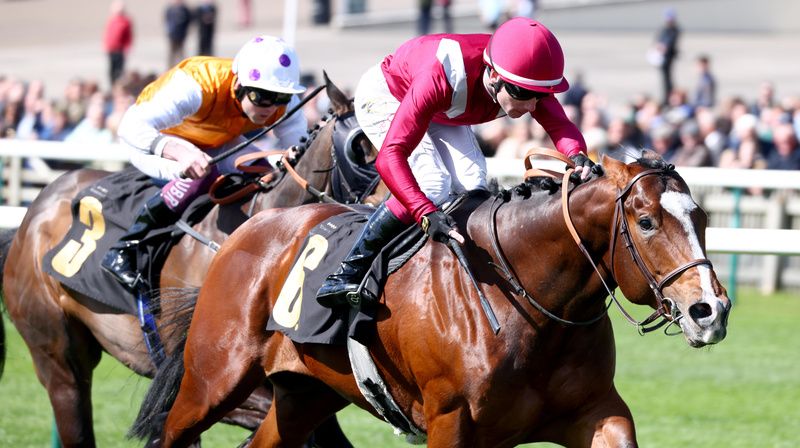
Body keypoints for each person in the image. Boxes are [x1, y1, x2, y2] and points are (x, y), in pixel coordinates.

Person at [316, 17, 594, 308]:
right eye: (524, 95)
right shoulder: (441, 76)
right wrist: (425, 212)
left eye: (541, 96)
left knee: (473, 184)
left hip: (444, 108)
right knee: (433, 184)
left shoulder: (522, 77)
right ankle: (349, 269)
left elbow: (562, 127)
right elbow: (390, 157)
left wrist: (577, 158)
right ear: (494, 76)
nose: (532, 107)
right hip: (390, 94)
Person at [101, 35, 308, 290]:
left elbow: (298, 151)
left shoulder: (281, 98)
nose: (272, 106)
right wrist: (177, 151)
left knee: (267, 174)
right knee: (200, 175)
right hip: (157, 139)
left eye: (281, 98)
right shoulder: (197, 85)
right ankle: (127, 248)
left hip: (215, 141)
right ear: (239, 83)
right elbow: (130, 126)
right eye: (262, 96)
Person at [652, 7, 680, 105]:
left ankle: (670, 97)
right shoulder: (664, 28)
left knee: (668, 79)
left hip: (669, 57)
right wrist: (658, 46)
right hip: (662, 57)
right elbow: (658, 39)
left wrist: (664, 46)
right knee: (664, 79)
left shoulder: (674, 29)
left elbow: (671, 41)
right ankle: (667, 97)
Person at [104, 0, 134, 87]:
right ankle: (112, 86)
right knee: (111, 70)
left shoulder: (126, 21)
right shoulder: (111, 20)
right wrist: (106, 45)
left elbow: (128, 36)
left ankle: (119, 86)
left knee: (119, 70)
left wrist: (127, 48)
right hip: (111, 49)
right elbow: (107, 33)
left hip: (120, 50)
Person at [165, 0, 192, 68]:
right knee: (172, 52)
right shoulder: (170, 9)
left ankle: (182, 66)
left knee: (181, 52)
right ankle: (170, 67)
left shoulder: (185, 10)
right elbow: (167, 20)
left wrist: (186, 30)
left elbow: (189, 21)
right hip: (173, 34)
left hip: (181, 34)